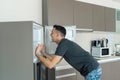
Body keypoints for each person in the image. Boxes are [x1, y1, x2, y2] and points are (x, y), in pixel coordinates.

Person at [35, 25, 102, 80]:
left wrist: (37, 54)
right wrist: (44, 53)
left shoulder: (63, 44)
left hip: (92, 70)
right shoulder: (64, 43)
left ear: (57, 35)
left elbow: (50, 65)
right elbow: (56, 60)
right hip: (94, 68)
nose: (50, 34)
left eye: (52, 33)